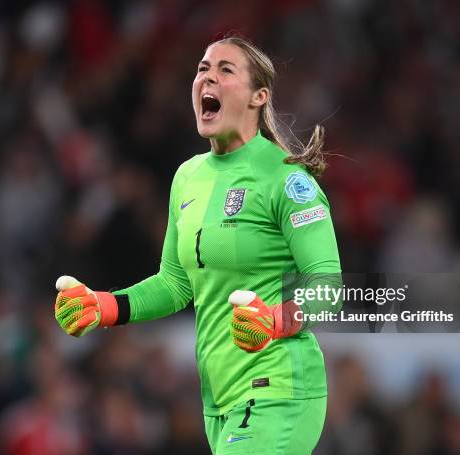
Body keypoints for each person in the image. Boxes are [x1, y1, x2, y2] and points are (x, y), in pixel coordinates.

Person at [54, 36, 342, 455]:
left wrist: (275, 320)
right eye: (203, 68)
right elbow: (174, 284)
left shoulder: (287, 180)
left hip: (278, 387)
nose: (208, 76)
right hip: (218, 400)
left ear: (259, 96)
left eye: (226, 70)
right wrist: (105, 306)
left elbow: (328, 287)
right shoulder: (187, 178)